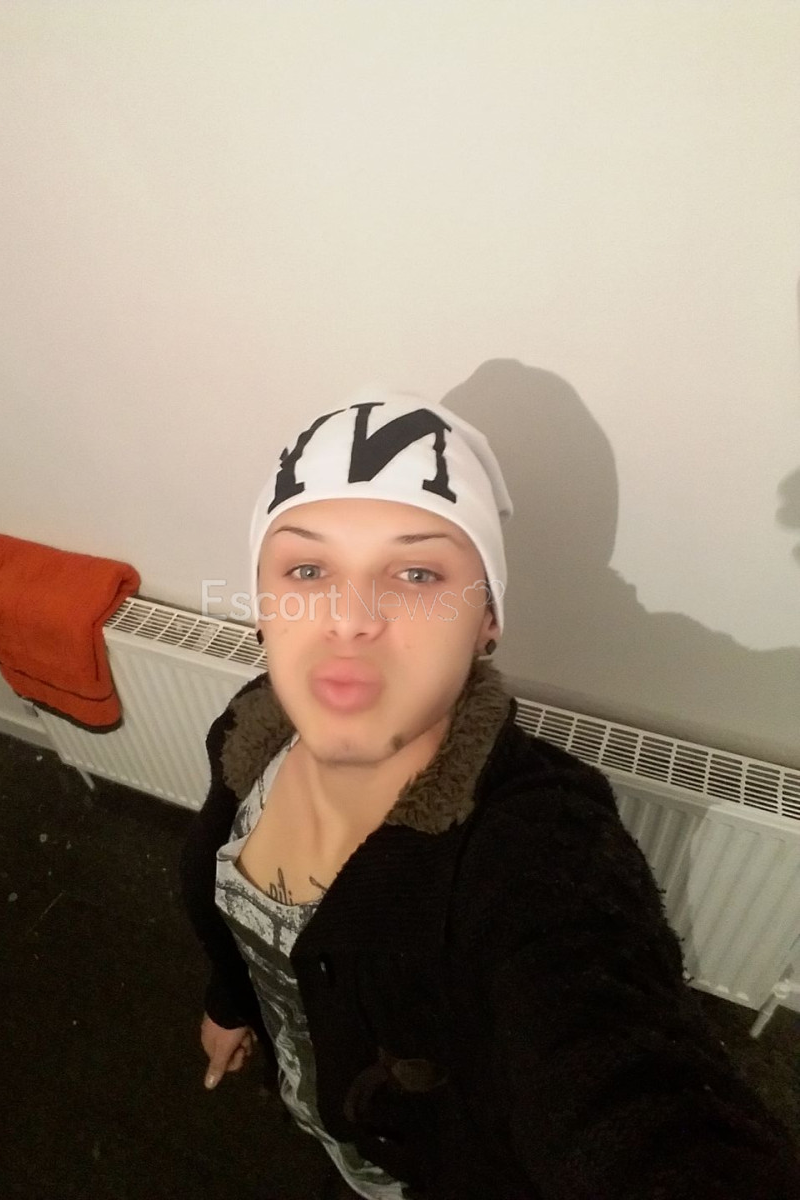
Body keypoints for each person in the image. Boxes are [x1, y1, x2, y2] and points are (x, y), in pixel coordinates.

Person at [179, 389, 800, 1200]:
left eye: (415, 572)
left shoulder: (535, 843)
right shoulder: (246, 731)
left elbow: (623, 1087)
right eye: (306, 569)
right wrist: (230, 1002)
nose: (350, 619)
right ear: (263, 605)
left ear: (487, 621)